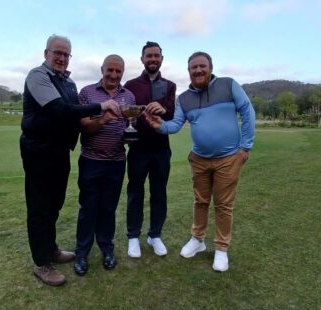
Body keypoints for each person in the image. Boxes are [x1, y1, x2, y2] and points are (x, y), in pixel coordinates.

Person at [20, 35, 119, 286]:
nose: (62, 58)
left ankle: (51, 249)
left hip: (59, 151)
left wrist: (101, 123)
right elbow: (60, 111)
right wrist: (100, 106)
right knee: (40, 208)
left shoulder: (69, 83)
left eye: (66, 54)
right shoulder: (38, 76)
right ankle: (42, 263)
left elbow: (75, 119)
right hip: (38, 151)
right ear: (46, 53)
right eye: (58, 53)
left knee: (54, 204)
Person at [144, 51, 255, 272]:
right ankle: (198, 240)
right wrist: (159, 126)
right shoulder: (184, 98)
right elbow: (175, 124)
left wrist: (245, 147)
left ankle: (222, 249)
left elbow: (247, 112)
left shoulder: (228, 85)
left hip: (229, 158)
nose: (198, 70)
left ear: (211, 67)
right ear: (189, 71)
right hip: (200, 159)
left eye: (202, 66)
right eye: (193, 67)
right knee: (200, 201)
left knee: (223, 205)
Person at [72, 55, 136, 276]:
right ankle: (81, 253)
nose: (114, 75)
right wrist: (105, 118)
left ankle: (107, 250)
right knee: (88, 208)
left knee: (109, 209)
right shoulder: (87, 93)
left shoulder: (129, 96)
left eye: (118, 71)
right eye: (110, 70)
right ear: (102, 69)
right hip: (91, 161)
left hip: (117, 162)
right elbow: (84, 129)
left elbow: (130, 127)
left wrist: (130, 137)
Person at [124, 41, 177, 259]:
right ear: (142, 59)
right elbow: (125, 114)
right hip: (137, 149)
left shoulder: (170, 85)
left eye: (156, 56)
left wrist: (164, 109)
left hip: (161, 149)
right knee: (135, 193)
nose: (153, 59)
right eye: (149, 56)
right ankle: (133, 236)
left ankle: (155, 235)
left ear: (161, 59)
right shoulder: (131, 84)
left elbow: (173, 114)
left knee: (159, 193)